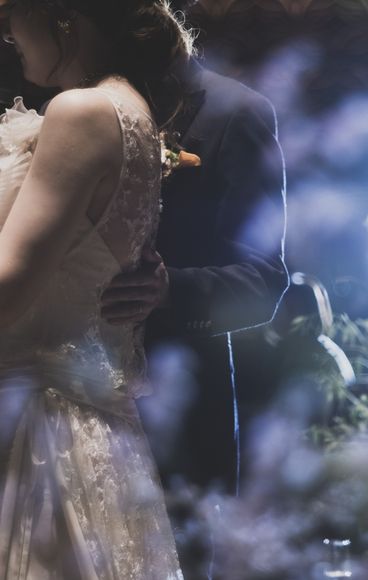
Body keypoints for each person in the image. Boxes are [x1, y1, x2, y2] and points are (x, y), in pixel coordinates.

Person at [0, 0, 190, 576]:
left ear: (60, 15)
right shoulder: (130, 107)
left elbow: (8, 291)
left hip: (36, 428)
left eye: (12, 12)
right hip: (87, 421)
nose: (8, 32)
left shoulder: (81, 112)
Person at [100, 41, 289, 489]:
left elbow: (265, 281)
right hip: (64, 382)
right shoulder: (56, 106)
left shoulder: (235, 113)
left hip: (181, 401)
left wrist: (169, 290)